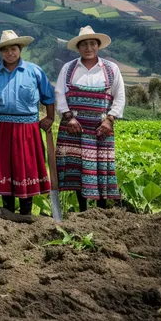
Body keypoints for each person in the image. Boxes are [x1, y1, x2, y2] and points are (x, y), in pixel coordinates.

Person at [0, 30, 55, 215]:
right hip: (1, 128)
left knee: (26, 168)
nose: (9, 53)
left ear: (20, 50)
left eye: (13, 49)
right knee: (3, 168)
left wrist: (50, 117)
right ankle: (7, 211)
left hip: (28, 128)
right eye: (5, 50)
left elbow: (48, 96)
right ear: (0, 52)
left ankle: (26, 212)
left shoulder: (34, 71)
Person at [55, 25, 125, 211]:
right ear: (78, 47)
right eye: (84, 44)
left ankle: (101, 211)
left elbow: (119, 96)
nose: (88, 48)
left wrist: (109, 119)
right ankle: (83, 210)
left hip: (100, 128)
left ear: (98, 46)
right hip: (74, 126)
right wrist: (68, 117)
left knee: (101, 168)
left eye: (92, 44)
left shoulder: (111, 69)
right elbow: (59, 94)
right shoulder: (68, 68)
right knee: (78, 168)